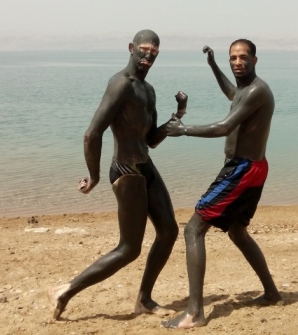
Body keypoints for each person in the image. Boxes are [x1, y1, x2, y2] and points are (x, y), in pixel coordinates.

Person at [48, 29, 187, 321]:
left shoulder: (148, 91)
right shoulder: (120, 84)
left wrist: (178, 116)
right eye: (144, 49)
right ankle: (65, 290)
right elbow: (91, 134)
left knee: (169, 231)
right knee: (128, 249)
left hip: (145, 166)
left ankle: (145, 299)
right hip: (126, 171)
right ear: (131, 48)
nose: (149, 55)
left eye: (155, 52)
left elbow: (150, 140)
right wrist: (94, 176)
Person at [162, 39, 282, 329]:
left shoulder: (257, 91)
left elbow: (224, 126)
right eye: (232, 58)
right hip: (252, 167)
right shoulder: (246, 90)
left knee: (193, 228)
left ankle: (195, 313)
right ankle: (271, 293)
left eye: (243, 57)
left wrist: (184, 129)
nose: (237, 62)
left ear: (255, 59)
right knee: (238, 231)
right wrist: (213, 66)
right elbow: (232, 92)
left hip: (242, 168)